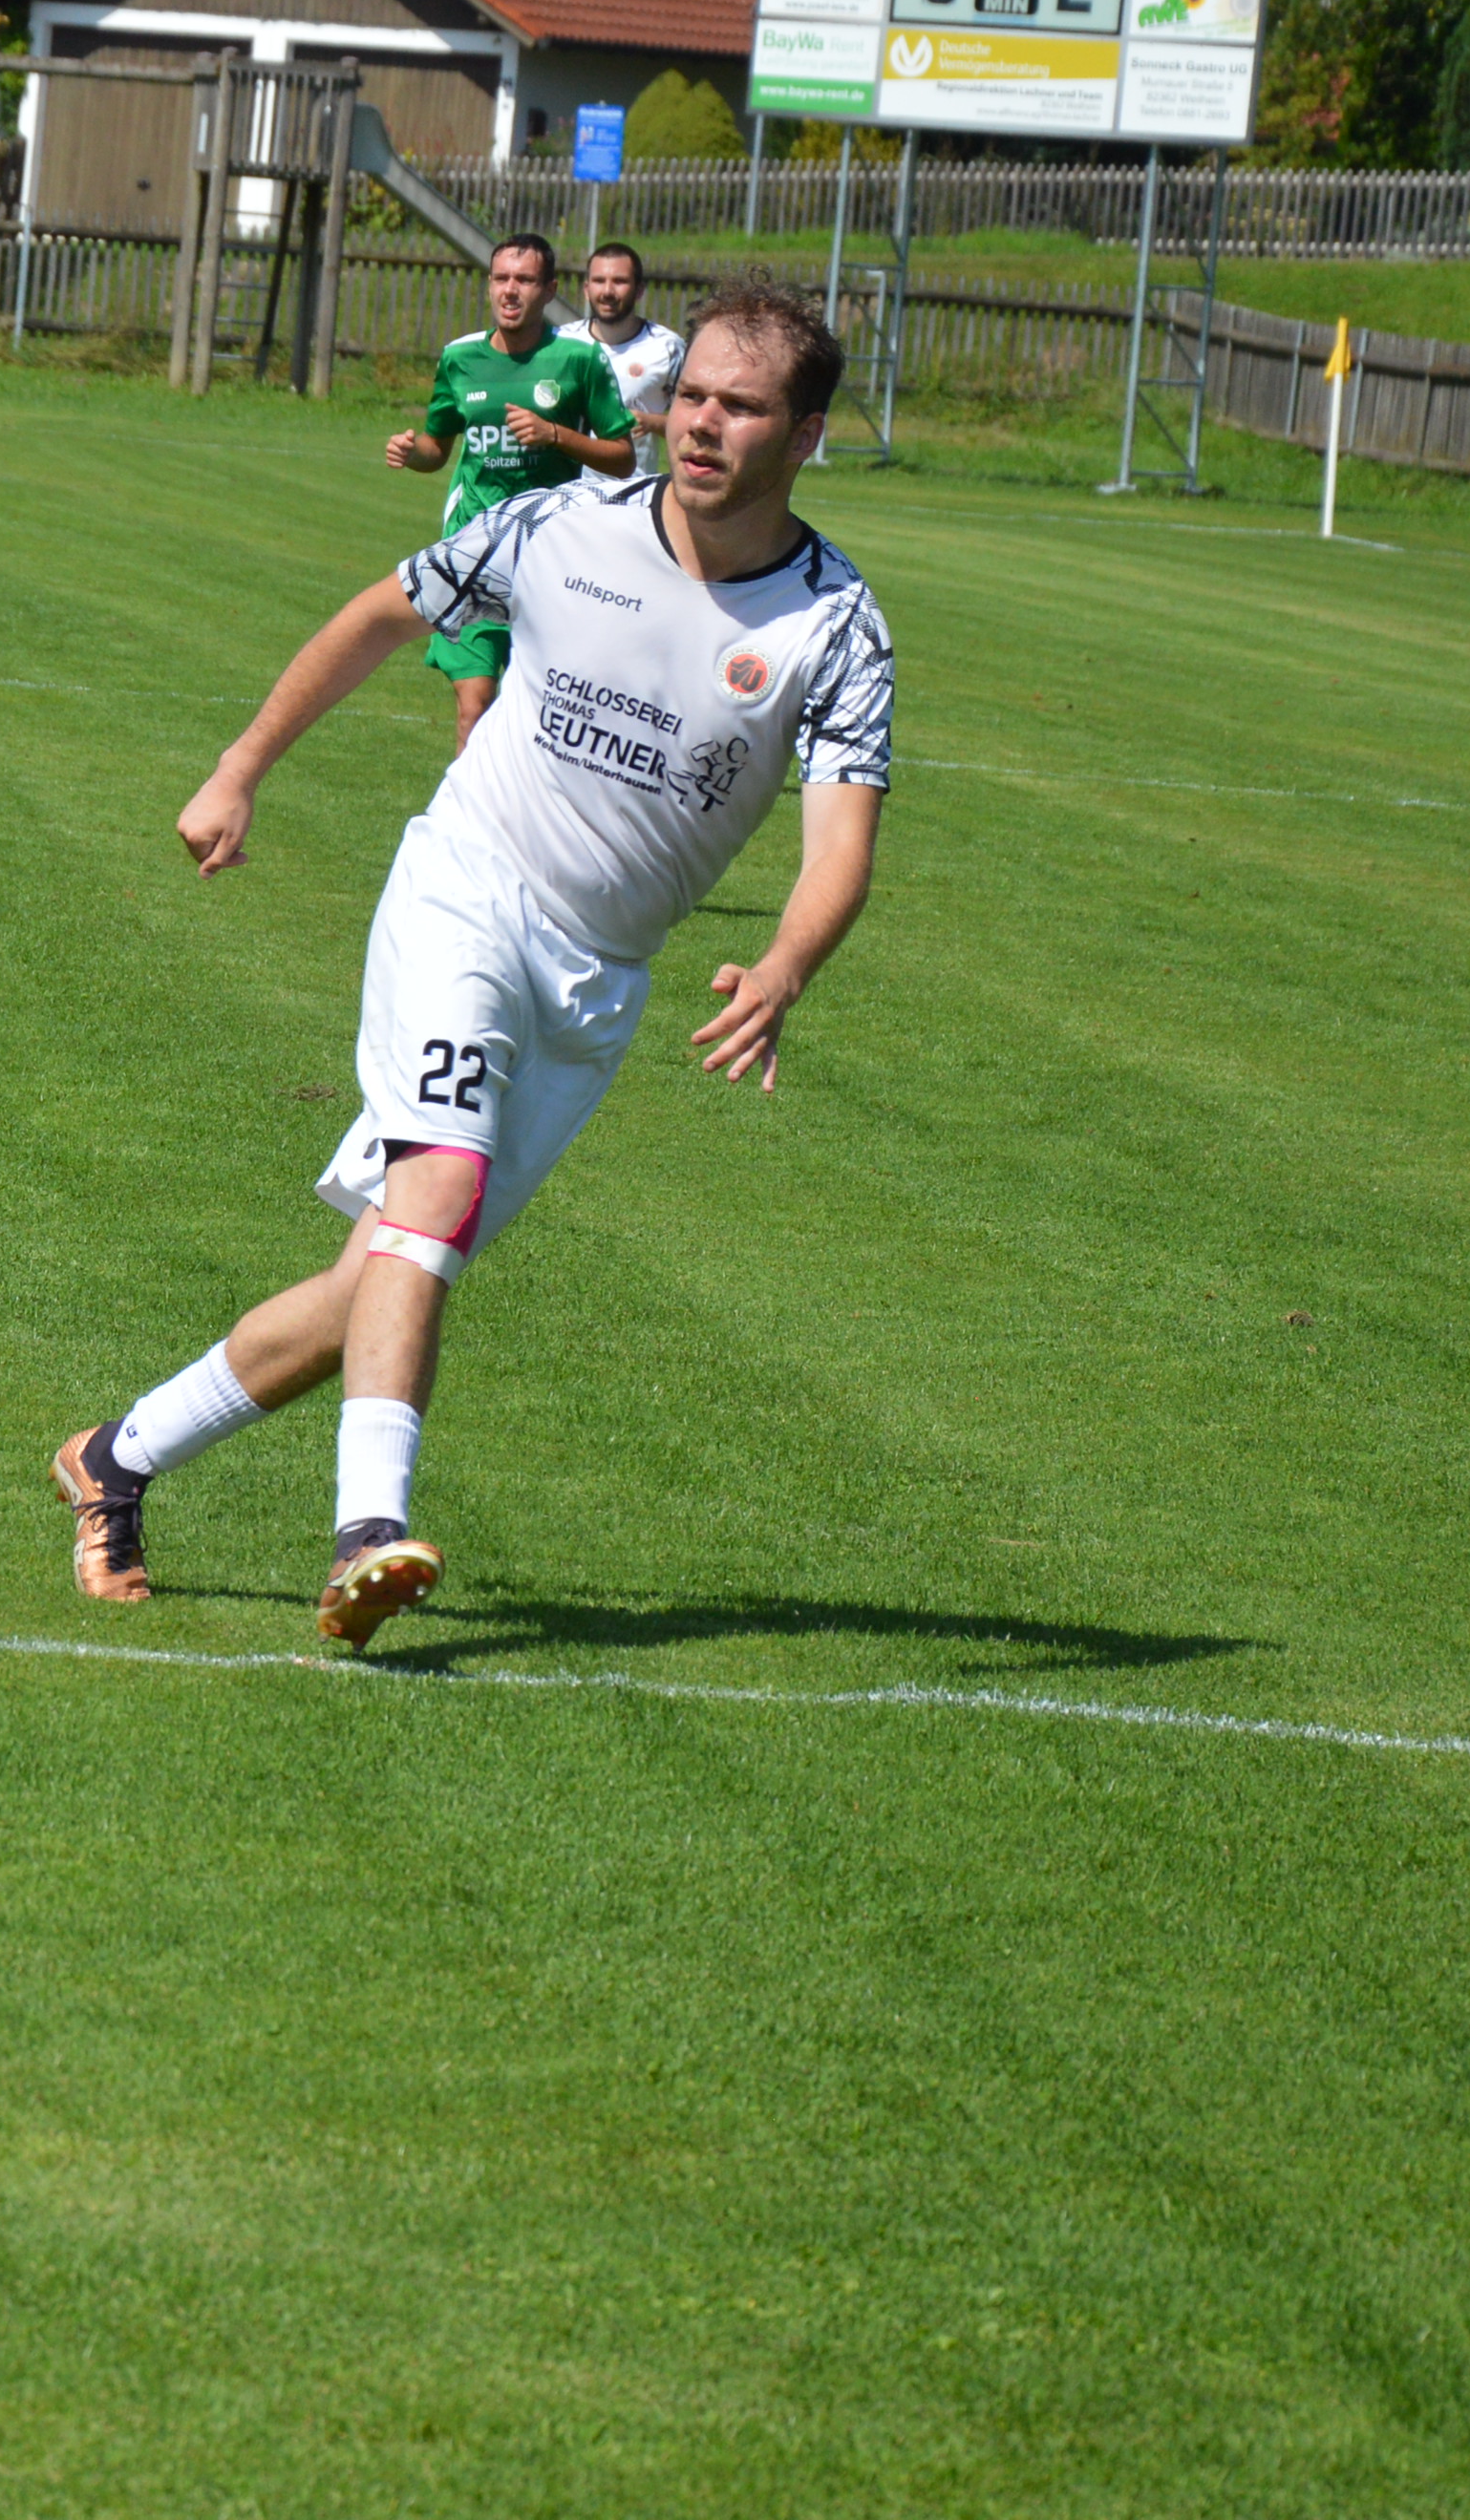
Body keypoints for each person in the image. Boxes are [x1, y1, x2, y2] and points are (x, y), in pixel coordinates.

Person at [52, 278, 893, 1645]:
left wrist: (786, 964)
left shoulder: (835, 623)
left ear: (804, 436)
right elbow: (381, 614)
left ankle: (117, 1457)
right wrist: (239, 768)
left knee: (380, 1281)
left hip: (599, 982)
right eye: (690, 396)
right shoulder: (559, 524)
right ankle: (366, 1534)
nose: (701, 425)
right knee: (434, 1196)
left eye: (741, 408)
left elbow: (841, 843)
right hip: (467, 892)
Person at [386, 234, 629, 752]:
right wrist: (412, 453)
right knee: (474, 702)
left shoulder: (579, 358)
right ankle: (467, 804)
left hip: (549, 557)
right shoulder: (460, 358)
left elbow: (622, 456)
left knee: (536, 709)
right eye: (501, 278)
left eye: (525, 280)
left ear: (550, 290)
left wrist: (555, 435)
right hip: (471, 551)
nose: (510, 290)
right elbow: (437, 448)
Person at [578, 242, 686, 474]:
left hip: (635, 489)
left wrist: (652, 422)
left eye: (619, 281)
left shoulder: (668, 348)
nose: (608, 291)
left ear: (639, 290)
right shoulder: (563, 342)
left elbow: (694, 421)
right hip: (571, 489)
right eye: (599, 281)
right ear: (586, 289)